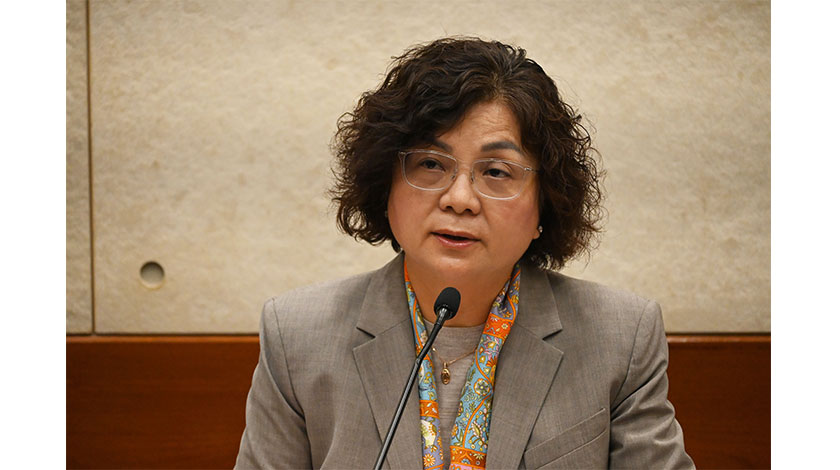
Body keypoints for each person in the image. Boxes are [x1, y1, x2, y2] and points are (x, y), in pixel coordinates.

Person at [235, 37, 694, 469]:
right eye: (430, 164)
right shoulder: (297, 337)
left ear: (545, 204)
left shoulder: (619, 338)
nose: (460, 199)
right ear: (385, 185)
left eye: (496, 171)